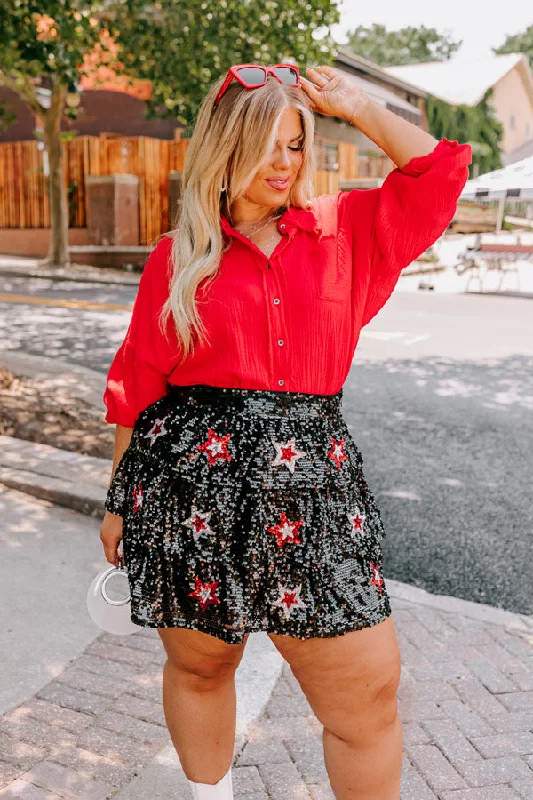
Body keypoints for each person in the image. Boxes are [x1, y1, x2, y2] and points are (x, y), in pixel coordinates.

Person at [100, 63, 472, 799]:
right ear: (222, 148)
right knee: (201, 666)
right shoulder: (178, 259)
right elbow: (137, 384)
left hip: (314, 499)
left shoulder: (347, 229)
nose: (282, 162)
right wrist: (118, 498)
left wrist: (357, 107)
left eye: (296, 144)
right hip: (188, 494)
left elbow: (438, 173)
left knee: (364, 699)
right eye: (265, 143)